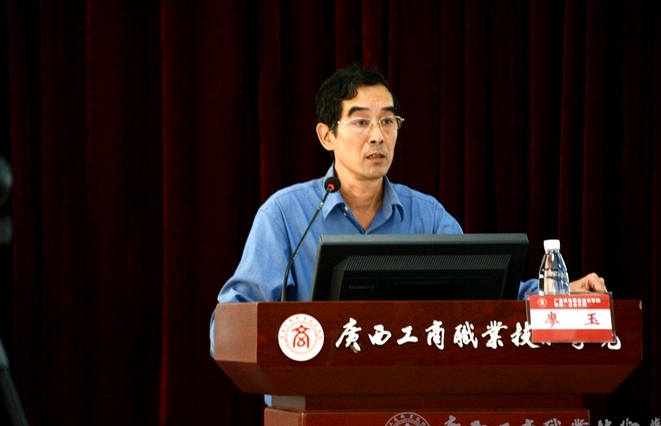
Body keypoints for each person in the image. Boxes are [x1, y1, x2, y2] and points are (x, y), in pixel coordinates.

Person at [210, 64, 606, 356]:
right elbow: (229, 322)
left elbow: (485, 296)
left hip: (414, 400)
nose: (378, 136)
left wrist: (559, 293)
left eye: (388, 121)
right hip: (311, 401)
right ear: (327, 135)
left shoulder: (427, 215)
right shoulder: (285, 215)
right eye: (361, 122)